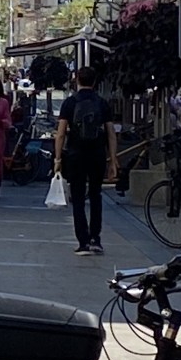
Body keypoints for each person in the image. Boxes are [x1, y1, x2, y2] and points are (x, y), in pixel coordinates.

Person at [54, 66, 118, 256]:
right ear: (95, 82)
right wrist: (113, 159)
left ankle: (83, 242)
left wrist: (58, 158)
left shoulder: (70, 103)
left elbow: (60, 134)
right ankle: (95, 239)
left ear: (77, 80)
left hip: (75, 155)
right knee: (96, 195)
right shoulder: (102, 103)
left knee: (79, 197)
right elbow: (111, 133)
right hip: (97, 154)